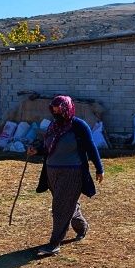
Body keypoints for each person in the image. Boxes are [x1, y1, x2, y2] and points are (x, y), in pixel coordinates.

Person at [26, 95, 104, 256]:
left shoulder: (78, 126)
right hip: (52, 172)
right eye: (53, 111)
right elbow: (49, 148)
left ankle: (54, 244)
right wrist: (37, 151)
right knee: (67, 203)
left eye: (59, 111)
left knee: (60, 208)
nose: (56, 114)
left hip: (72, 172)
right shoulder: (53, 126)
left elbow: (91, 147)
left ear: (67, 109)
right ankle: (82, 227)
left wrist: (99, 168)